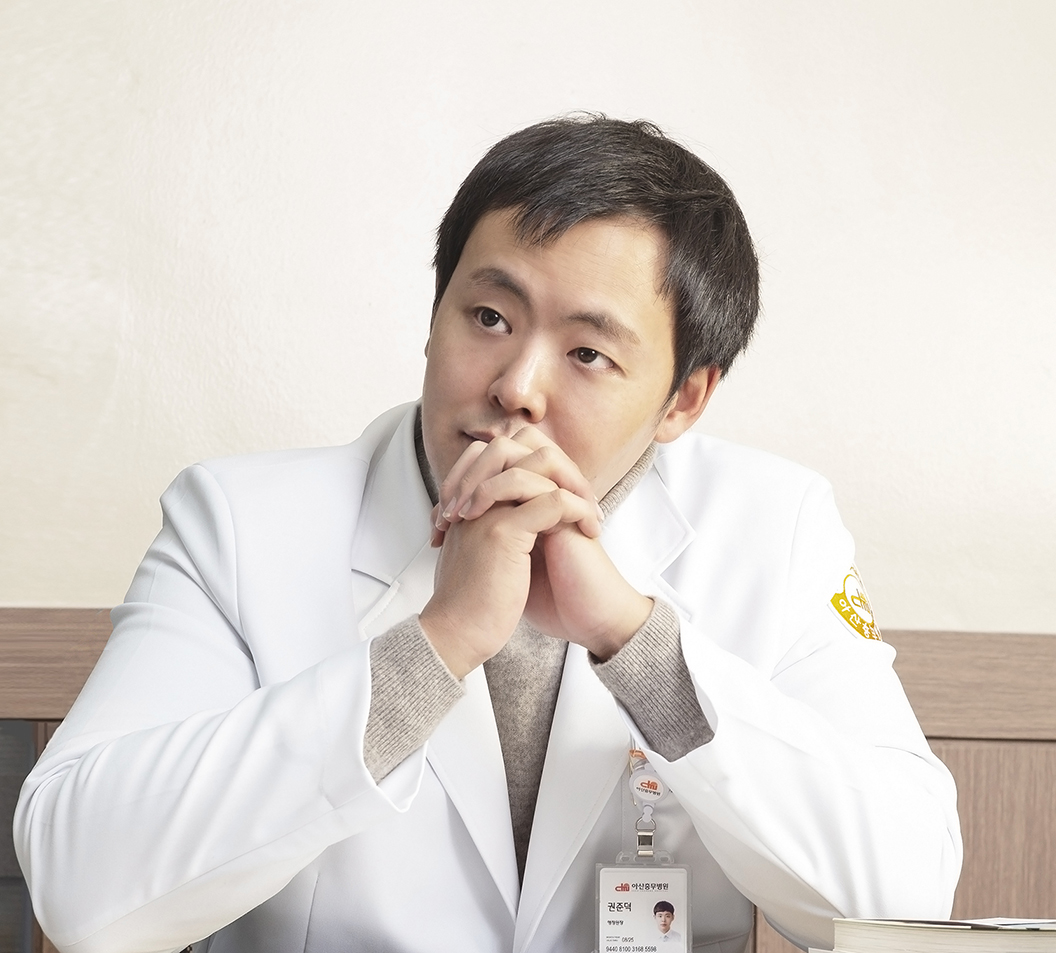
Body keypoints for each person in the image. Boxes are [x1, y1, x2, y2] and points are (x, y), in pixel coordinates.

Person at [15, 116, 961, 953]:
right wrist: (439, 643)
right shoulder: (236, 521)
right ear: (434, 320)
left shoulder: (775, 527)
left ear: (685, 398)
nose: (517, 387)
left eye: (588, 352)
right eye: (489, 316)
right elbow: (84, 894)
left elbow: (902, 897)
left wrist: (637, 643)